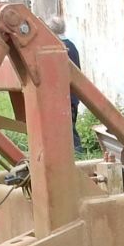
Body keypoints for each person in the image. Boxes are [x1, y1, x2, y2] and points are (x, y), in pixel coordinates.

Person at [48, 14, 84, 153]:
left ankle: (77, 153)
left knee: (68, 129)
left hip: (65, 95)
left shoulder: (59, 47)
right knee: (69, 126)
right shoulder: (71, 46)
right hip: (72, 95)